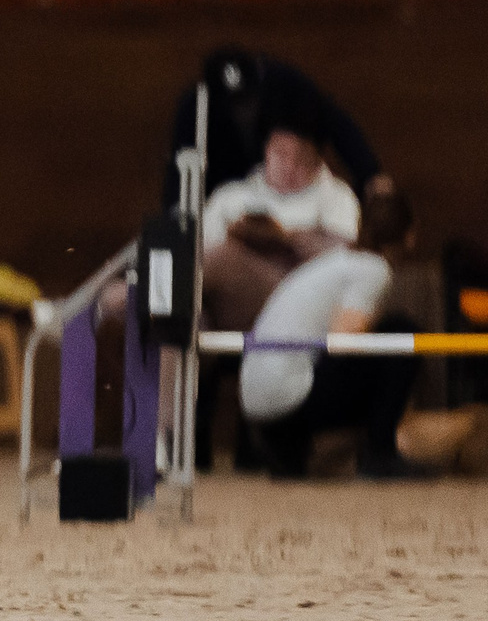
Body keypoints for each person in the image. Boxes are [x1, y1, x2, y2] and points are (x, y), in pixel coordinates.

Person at [243, 179, 422, 480]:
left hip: (257, 402)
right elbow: (343, 342)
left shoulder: (339, 261)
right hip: (288, 402)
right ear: (408, 235)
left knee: (377, 340)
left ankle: (290, 450)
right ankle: (380, 453)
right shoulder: (373, 269)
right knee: (401, 333)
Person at [163, 46, 380, 209]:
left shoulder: (285, 85)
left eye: (247, 100)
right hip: (230, 199)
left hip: (290, 199)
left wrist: (370, 173)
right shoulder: (195, 107)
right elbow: (181, 167)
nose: (243, 111)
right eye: (234, 104)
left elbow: (336, 123)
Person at [198, 126, 360, 332]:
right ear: (266, 151)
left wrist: (287, 239)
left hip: (296, 293)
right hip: (228, 301)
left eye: (301, 157)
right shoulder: (230, 197)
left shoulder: (337, 197)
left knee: (221, 259)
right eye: (281, 154)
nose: (290, 165)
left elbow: (347, 261)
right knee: (191, 312)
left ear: (317, 158)